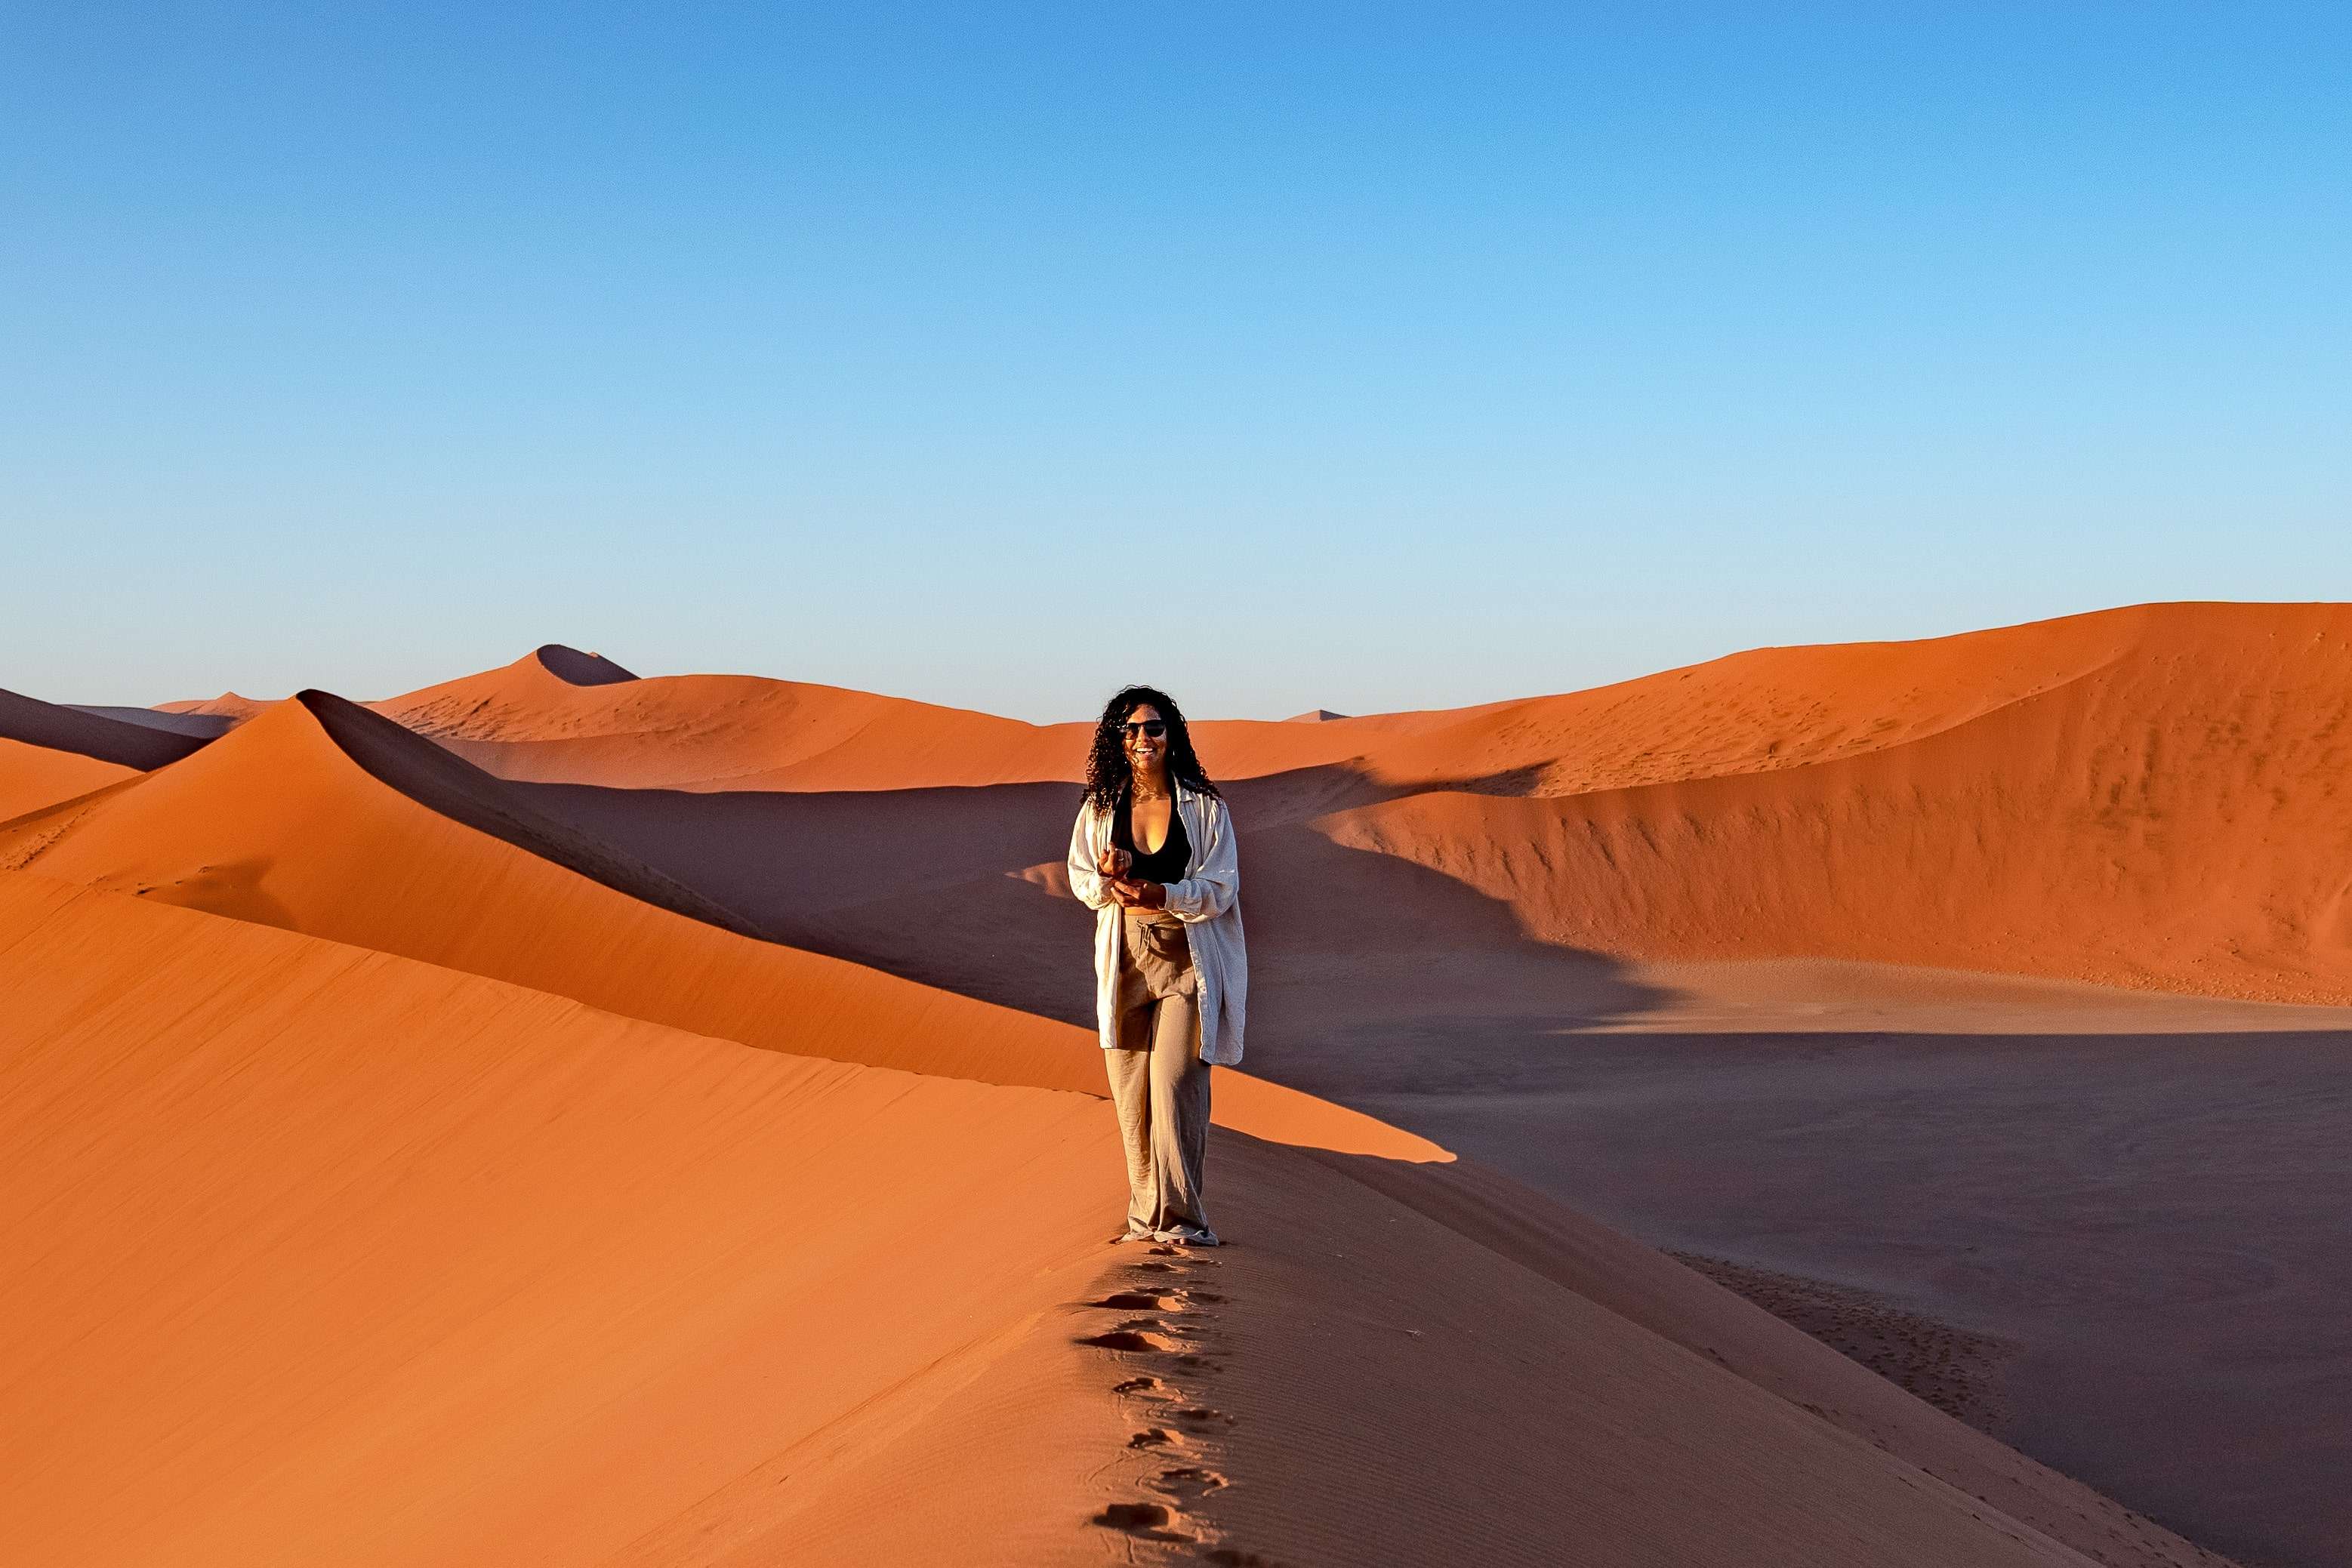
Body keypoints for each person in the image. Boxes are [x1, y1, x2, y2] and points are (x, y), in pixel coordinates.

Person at [1065, 685, 1247, 1246]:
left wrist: (1162, 891)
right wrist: (1108, 875)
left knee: (1174, 1087)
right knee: (1131, 1097)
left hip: (1186, 958)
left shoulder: (1204, 807)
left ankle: (1187, 1223)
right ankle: (1146, 1219)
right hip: (1124, 959)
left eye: (1153, 727)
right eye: (1131, 729)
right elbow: (1080, 879)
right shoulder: (1099, 808)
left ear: (1172, 735)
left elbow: (1220, 888)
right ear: (1116, 740)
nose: (1142, 738)